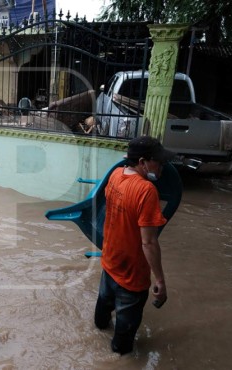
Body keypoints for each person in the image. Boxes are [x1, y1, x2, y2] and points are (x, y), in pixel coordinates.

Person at [94, 136, 174, 355]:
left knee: (101, 320)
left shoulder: (115, 175)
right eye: (158, 162)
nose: (162, 167)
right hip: (132, 276)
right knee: (123, 347)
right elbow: (148, 242)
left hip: (110, 263)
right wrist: (159, 280)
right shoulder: (146, 191)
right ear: (143, 162)